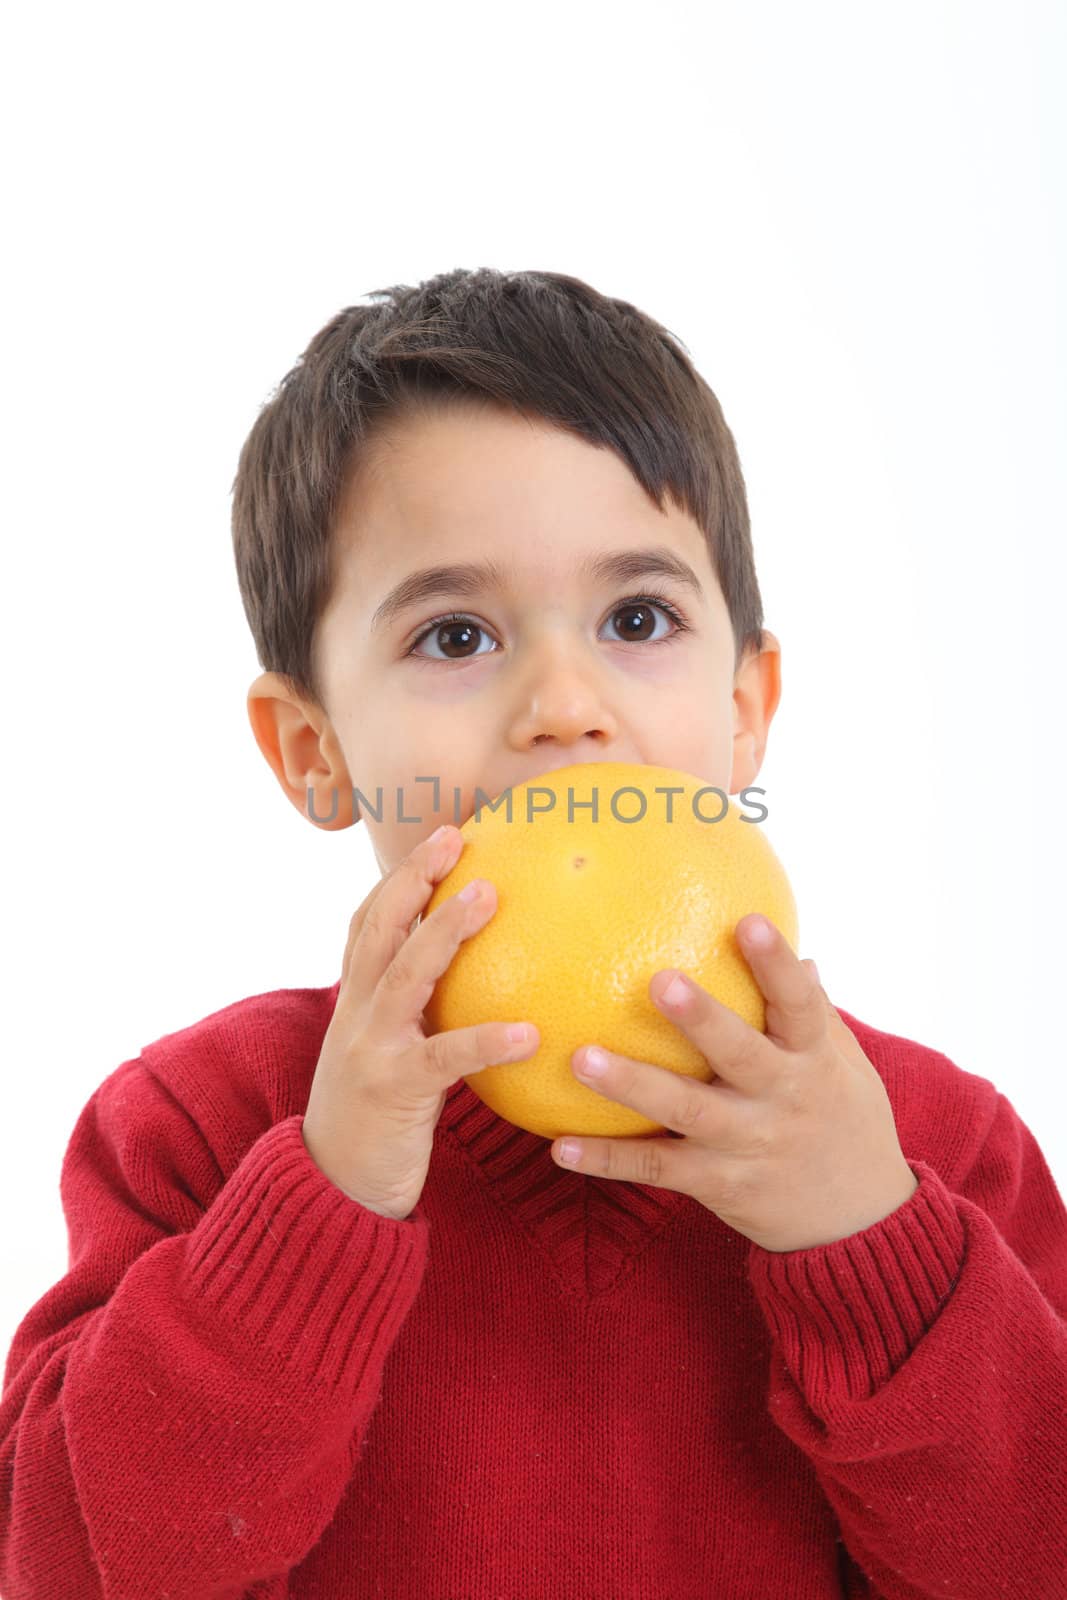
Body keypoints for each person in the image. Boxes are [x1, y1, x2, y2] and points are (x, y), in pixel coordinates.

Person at [2, 268, 1064, 1600]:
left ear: (747, 712)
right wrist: (321, 1206)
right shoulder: (198, 1126)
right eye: (457, 634)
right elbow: (68, 1564)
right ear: (316, 752)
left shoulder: (934, 1151)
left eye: (637, 620)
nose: (564, 706)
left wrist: (868, 1243)